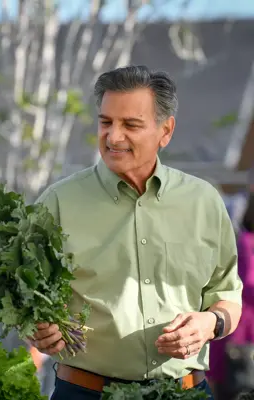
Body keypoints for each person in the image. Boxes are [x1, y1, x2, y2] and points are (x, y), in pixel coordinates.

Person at [30, 65, 243, 400]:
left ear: (166, 130)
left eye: (130, 125)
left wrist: (210, 323)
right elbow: (23, 299)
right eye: (106, 122)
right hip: (85, 393)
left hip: (186, 392)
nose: (114, 136)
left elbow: (228, 297)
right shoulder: (56, 203)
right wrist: (36, 329)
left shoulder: (204, 202)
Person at [207, 185, 254, 399]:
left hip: (241, 325)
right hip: (241, 328)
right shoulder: (246, 242)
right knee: (237, 383)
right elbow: (249, 282)